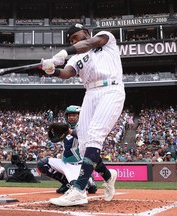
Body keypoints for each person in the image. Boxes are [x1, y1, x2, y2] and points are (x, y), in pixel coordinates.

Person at [41, 23, 125, 206]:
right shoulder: (77, 57)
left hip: (111, 89)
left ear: (86, 33)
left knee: (95, 136)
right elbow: (67, 73)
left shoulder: (104, 38)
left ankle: (79, 190)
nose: (74, 41)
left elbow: (90, 43)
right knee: (85, 146)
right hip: (90, 94)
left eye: (76, 37)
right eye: (71, 40)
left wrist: (63, 52)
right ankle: (109, 177)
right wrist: (52, 70)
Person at [37, 105, 97, 194]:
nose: (71, 117)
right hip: (64, 162)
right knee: (42, 163)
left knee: (78, 189)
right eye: (69, 115)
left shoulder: (84, 128)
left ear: (79, 116)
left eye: (74, 115)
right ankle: (66, 183)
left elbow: (83, 137)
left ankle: (89, 181)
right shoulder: (64, 128)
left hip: (77, 164)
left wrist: (70, 132)